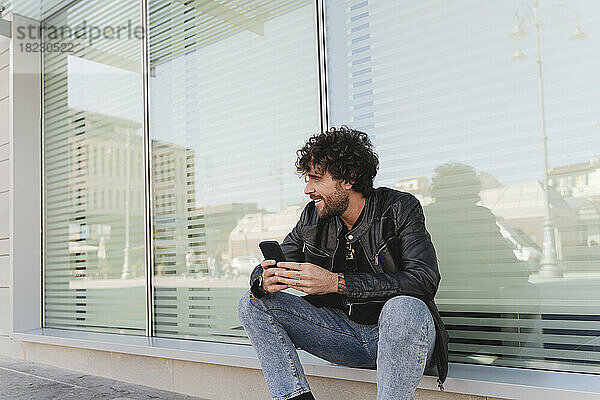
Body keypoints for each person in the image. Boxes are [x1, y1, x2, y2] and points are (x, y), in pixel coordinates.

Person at [237, 126, 448, 400]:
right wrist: (263, 279)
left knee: (404, 306)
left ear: (347, 179)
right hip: (342, 336)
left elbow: (423, 279)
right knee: (253, 302)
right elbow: (278, 260)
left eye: (316, 178)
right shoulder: (313, 218)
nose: (307, 189)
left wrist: (335, 283)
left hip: (397, 335)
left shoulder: (399, 208)